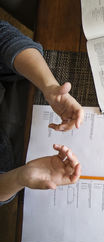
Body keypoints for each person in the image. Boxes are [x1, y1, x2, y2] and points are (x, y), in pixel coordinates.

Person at [0, 20, 84, 206]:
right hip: (10, 166)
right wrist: (20, 177)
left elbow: (3, 37)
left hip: (22, 80)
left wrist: (49, 86)